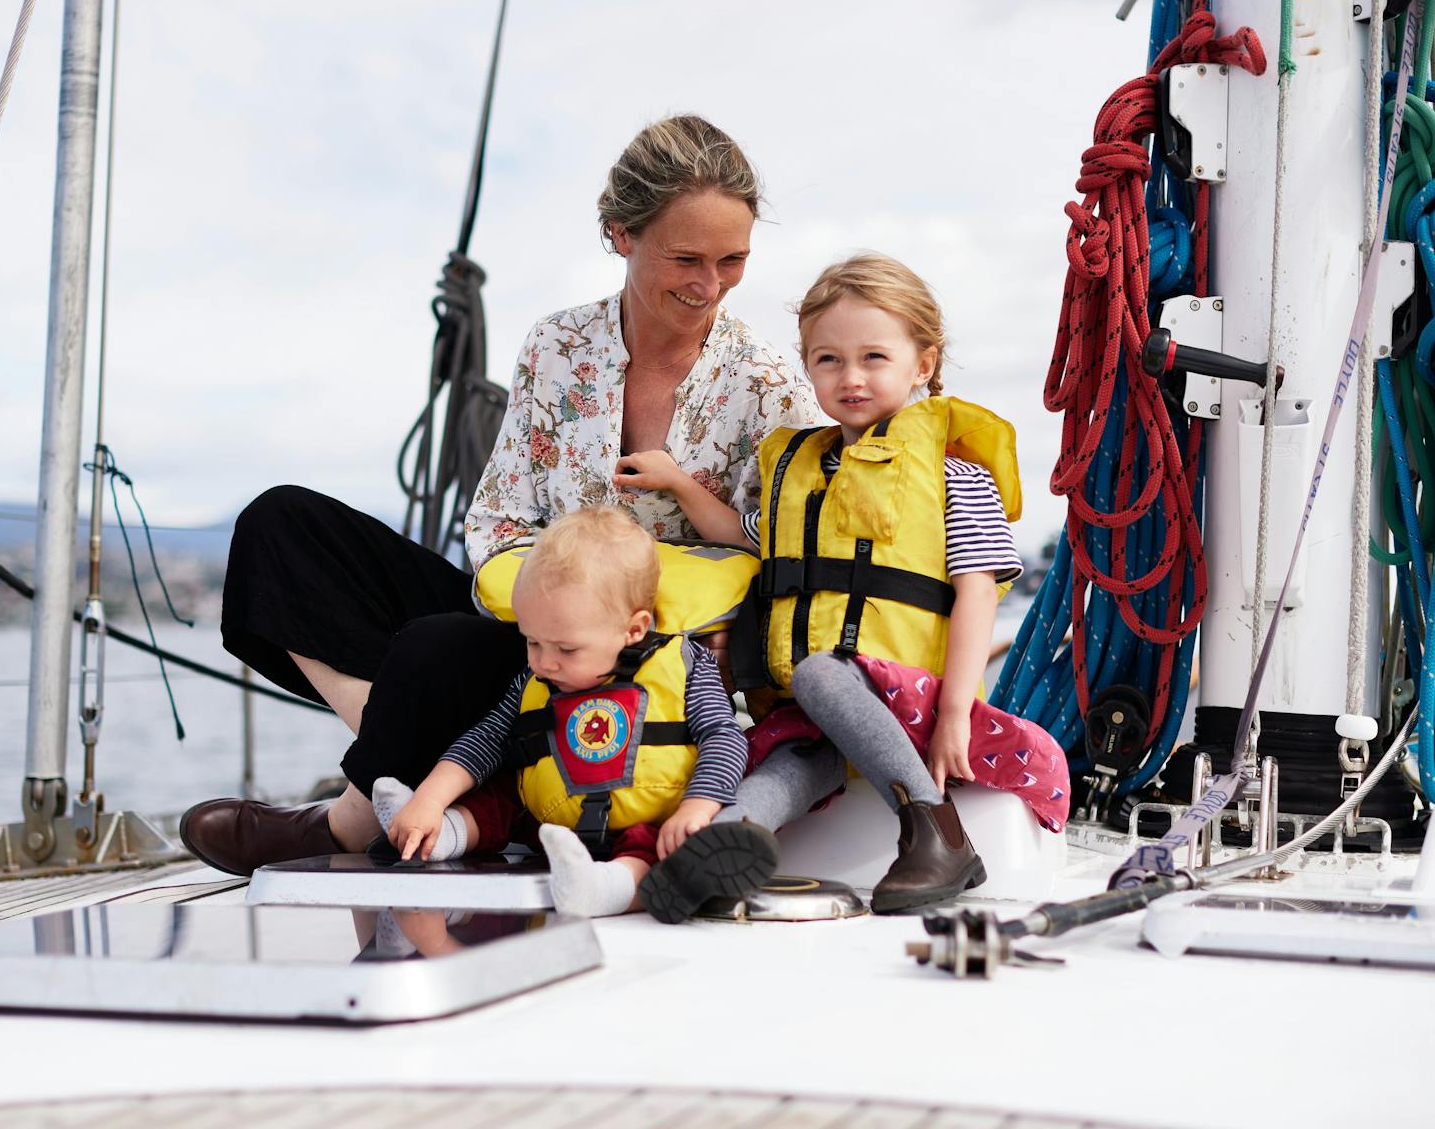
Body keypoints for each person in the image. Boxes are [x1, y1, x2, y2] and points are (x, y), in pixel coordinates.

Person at [179, 114, 820, 876]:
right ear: (620, 234)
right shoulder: (557, 345)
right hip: (527, 637)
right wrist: (551, 609)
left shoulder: (765, 381)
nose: (707, 285)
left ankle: (350, 821)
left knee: (433, 650)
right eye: (685, 257)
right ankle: (397, 757)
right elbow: (498, 518)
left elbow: (795, 542)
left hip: (651, 676)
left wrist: (705, 632)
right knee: (279, 527)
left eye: (732, 260)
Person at [616, 252, 1067, 914]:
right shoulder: (803, 476)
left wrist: (952, 718)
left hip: (908, 694)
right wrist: (681, 483)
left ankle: (937, 836)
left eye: (873, 358)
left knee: (820, 673)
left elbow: (975, 591)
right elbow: (741, 533)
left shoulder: (956, 478)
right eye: (828, 360)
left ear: (924, 364)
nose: (849, 377)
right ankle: (717, 851)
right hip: (822, 706)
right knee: (789, 762)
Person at [370, 508, 776, 922]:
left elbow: (723, 737)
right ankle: (437, 834)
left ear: (633, 629)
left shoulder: (687, 666)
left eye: (566, 650)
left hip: (645, 817)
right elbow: (485, 740)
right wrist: (430, 797)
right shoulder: (537, 677)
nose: (545, 663)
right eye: (532, 642)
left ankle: (607, 889)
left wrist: (698, 806)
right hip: (548, 819)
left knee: (654, 846)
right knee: (499, 796)